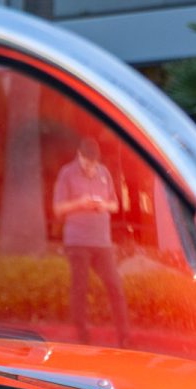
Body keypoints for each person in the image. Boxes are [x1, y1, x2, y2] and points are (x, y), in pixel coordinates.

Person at [52, 137, 130, 345]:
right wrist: (80, 203)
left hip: (102, 241)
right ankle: (82, 337)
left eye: (94, 165)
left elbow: (115, 205)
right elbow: (58, 209)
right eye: (88, 164)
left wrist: (102, 205)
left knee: (115, 285)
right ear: (80, 156)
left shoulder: (104, 173)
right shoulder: (67, 174)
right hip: (78, 241)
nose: (91, 169)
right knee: (80, 287)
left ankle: (125, 337)